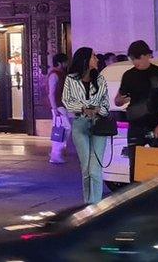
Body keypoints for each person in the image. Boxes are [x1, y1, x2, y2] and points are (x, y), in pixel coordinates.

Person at [115, 40, 158, 181]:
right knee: (135, 168)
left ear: (146, 56)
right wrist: (121, 100)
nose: (135, 62)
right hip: (136, 124)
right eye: (132, 59)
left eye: (138, 58)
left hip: (155, 124)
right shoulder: (129, 75)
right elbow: (118, 100)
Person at [62, 47, 110, 204]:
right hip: (80, 124)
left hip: (98, 125)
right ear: (85, 60)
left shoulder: (101, 79)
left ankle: (95, 205)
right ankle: (88, 204)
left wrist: (97, 110)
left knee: (95, 169)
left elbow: (106, 104)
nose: (97, 59)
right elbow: (66, 101)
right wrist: (83, 108)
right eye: (93, 56)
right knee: (86, 169)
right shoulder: (71, 79)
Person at [47, 53, 70, 164]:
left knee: (62, 129)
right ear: (60, 62)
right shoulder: (55, 75)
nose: (67, 63)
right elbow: (51, 93)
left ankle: (56, 153)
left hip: (61, 105)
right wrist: (54, 108)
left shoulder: (61, 74)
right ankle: (56, 154)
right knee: (64, 129)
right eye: (65, 61)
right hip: (58, 106)